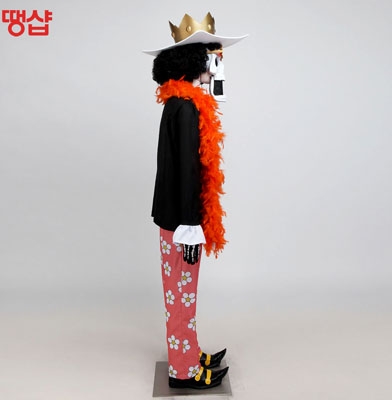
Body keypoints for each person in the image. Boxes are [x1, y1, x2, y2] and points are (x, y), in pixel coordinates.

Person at [143, 12, 248, 389]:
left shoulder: (180, 102)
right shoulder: (186, 108)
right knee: (181, 296)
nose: (217, 65)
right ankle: (183, 371)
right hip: (180, 221)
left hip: (175, 217)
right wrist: (190, 227)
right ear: (195, 61)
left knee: (181, 295)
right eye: (213, 57)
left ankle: (188, 352)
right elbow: (187, 171)